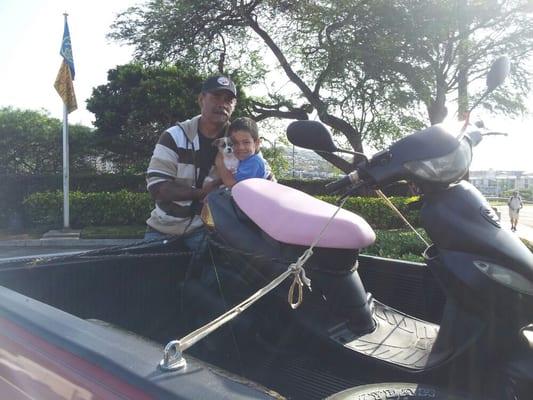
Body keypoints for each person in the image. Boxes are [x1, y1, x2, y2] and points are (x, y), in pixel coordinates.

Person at [144, 75, 237, 249]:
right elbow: (158, 188)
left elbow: (264, 178)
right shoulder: (174, 136)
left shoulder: (239, 140)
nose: (222, 104)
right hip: (164, 227)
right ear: (201, 99)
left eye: (229, 100)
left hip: (211, 232)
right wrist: (202, 193)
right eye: (216, 96)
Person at [215, 117, 273, 187]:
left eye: (246, 142)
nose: (241, 147)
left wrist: (220, 163)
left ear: (257, 143)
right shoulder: (247, 158)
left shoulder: (254, 162)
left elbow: (233, 185)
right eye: (235, 143)